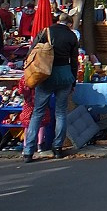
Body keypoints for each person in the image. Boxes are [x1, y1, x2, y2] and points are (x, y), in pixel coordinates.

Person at [23, 11, 79, 162]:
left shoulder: (45, 31)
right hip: (65, 75)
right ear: (69, 24)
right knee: (61, 112)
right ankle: (58, 148)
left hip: (45, 75)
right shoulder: (72, 36)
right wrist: (73, 80)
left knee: (38, 112)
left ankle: (28, 151)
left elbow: (31, 53)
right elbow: (74, 61)